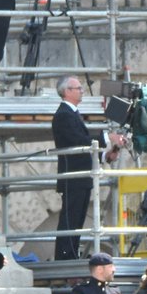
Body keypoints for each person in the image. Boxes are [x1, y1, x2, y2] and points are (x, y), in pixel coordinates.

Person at [52, 75, 126, 260]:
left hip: (80, 176)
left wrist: (104, 155)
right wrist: (108, 138)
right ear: (67, 91)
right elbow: (78, 142)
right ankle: (65, 258)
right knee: (70, 218)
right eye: (78, 88)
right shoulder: (63, 115)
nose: (82, 91)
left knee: (77, 219)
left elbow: (82, 148)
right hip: (73, 176)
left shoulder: (72, 113)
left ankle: (70, 253)